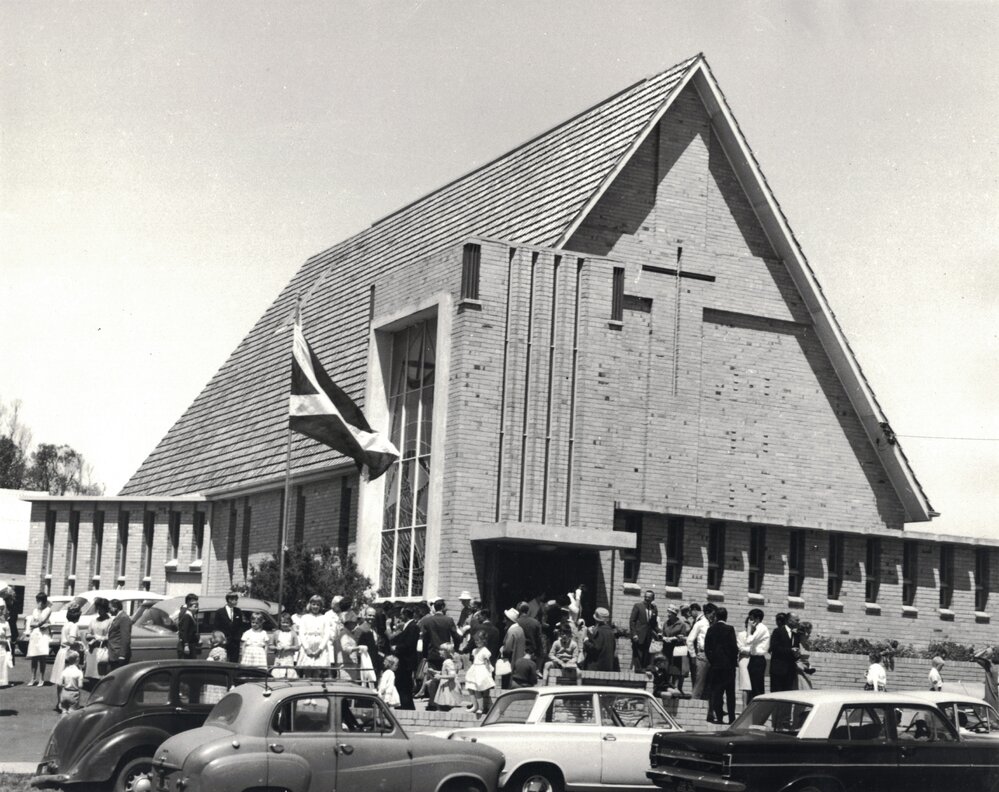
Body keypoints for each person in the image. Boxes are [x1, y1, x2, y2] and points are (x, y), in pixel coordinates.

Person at [421, 599, 461, 710]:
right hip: (446, 653)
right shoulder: (448, 620)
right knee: (445, 677)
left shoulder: (428, 621)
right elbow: (456, 636)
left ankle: (432, 702)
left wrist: (425, 654)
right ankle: (444, 702)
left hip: (432, 653)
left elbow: (425, 639)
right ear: (442, 607)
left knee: (433, 678)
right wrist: (455, 649)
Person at [704, 606, 739, 724]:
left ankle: (719, 717)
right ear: (726, 617)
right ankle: (731, 718)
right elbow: (733, 648)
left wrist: (712, 661)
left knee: (717, 692)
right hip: (728, 666)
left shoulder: (711, 629)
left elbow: (707, 648)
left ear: (716, 616)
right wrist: (733, 662)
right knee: (730, 693)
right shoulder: (730, 629)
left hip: (716, 666)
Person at [50, 605, 85, 710]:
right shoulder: (74, 626)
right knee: (71, 677)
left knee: (62, 679)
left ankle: (60, 702)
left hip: (62, 651)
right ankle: (70, 702)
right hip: (70, 653)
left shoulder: (65, 625)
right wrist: (80, 643)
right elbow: (71, 641)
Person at [390, 606, 420, 710]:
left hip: (406, 661)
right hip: (404, 660)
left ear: (406, 615)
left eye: (402, 614)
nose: (400, 616)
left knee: (404, 684)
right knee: (403, 683)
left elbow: (409, 644)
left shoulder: (413, 627)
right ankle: (404, 704)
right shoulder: (407, 626)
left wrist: (396, 647)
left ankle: (406, 705)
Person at [296, 595, 331, 674]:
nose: (315, 607)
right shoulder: (305, 617)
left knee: (319, 672)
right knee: (307, 670)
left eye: (318, 605)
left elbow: (327, 634)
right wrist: (306, 648)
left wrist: (320, 649)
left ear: (321, 606)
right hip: (308, 647)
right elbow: (301, 633)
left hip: (320, 648)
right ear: (310, 605)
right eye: (313, 604)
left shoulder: (324, 618)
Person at [464, 629, 495, 715]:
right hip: (474, 669)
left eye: (478, 640)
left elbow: (487, 664)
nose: (476, 642)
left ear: (484, 641)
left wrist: (489, 674)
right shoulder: (475, 650)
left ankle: (481, 707)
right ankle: (474, 705)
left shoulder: (485, 651)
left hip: (481, 670)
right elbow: (475, 660)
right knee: (470, 688)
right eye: (475, 640)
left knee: (477, 690)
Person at [686, 603, 712, 699]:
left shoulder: (708, 623)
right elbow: (690, 640)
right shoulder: (700, 623)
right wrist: (693, 655)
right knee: (698, 682)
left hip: (708, 655)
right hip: (701, 655)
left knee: (706, 684)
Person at [742, 609, 770, 702]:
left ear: (757, 619)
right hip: (753, 659)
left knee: (757, 687)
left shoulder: (761, 628)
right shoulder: (757, 628)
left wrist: (749, 629)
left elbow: (749, 641)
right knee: (752, 686)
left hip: (758, 660)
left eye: (751, 619)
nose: (750, 621)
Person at [629, 589, 659, 672]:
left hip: (648, 636)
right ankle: (638, 670)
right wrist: (634, 634)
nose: (647, 599)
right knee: (638, 654)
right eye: (645, 597)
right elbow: (632, 621)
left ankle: (644, 670)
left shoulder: (654, 609)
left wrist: (659, 632)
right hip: (638, 635)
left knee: (646, 654)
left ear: (653, 598)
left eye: (649, 597)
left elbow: (654, 623)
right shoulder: (638, 606)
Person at [26, 591, 52, 686]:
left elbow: (41, 620)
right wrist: (37, 623)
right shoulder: (34, 610)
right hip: (35, 634)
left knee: (42, 657)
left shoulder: (48, 609)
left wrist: (41, 612)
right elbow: (32, 623)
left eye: (40, 601)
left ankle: (41, 678)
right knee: (34, 656)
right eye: (37, 601)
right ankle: (33, 678)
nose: (38, 603)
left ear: (44, 601)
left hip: (43, 635)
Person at [769, 612, 799, 693]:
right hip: (778, 669)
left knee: (787, 694)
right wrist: (790, 650)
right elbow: (774, 648)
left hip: (790, 671)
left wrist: (797, 654)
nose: (798, 622)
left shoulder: (795, 635)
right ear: (789, 620)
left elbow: (796, 649)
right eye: (796, 620)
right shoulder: (778, 631)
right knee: (776, 693)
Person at [660, 605, 688, 690]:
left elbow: (683, 636)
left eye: (670, 613)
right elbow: (662, 634)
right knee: (666, 668)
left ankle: (674, 687)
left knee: (675, 669)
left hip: (677, 649)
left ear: (675, 614)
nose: (668, 615)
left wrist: (673, 638)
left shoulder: (681, 624)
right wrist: (664, 638)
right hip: (666, 649)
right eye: (668, 612)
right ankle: (665, 686)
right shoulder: (666, 623)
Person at [213, 592, 245, 663]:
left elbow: (241, 626)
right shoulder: (220, 612)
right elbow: (216, 627)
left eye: (236, 599)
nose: (236, 601)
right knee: (223, 660)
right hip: (224, 642)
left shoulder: (238, 611)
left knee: (234, 662)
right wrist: (221, 639)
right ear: (229, 600)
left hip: (235, 642)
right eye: (235, 599)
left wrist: (238, 637)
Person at [583, 607, 617, 671]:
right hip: (607, 668)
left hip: (595, 669)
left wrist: (586, 640)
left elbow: (594, 649)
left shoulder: (598, 631)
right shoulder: (611, 632)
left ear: (596, 619)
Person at [85, 598, 111, 679]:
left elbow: (110, 636)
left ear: (105, 609)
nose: (99, 611)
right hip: (92, 649)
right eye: (98, 609)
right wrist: (91, 636)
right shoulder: (93, 620)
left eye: (101, 609)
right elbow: (88, 634)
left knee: (101, 673)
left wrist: (100, 638)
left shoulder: (110, 621)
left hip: (102, 649)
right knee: (91, 674)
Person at [432, 643, 461, 710]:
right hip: (445, 685)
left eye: (442, 650)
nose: (439, 651)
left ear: (447, 652)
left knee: (446, 704)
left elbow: (452, 675)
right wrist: (435, 672)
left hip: (448, 687)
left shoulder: (448, 662)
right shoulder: (446, 661)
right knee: (443, 705)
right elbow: (445, 672)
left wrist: (440, 677)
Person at [271, 612, 299, 678]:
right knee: (277, 673)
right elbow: (270, 646)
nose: (285, 624)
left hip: (288, 657)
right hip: (279, 657)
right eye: (283, 622)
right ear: (280, 623)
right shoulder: (276, 633)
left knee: (289, 674)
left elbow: (297, 647)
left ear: (290, 623)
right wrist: (276, 648)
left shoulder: (293, 633)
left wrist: (289, 647)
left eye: (287, 623)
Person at [107, 598, 132, 671]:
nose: (109, 611)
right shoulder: (118, 617)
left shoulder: (124, 618)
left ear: (115, 608)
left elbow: (125, 638)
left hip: (118, 655)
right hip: (113, 653)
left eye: (110, 608)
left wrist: (122, 655)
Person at [58, 650, 84, 714]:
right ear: (77, 660)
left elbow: (59, 684)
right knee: (72, 712)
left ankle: (63, 722)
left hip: (64, 693)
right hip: (73, 694)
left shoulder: (64, 671)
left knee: (64, 711)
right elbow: (80, 686)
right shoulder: (79, 672)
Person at [177, 593, 202, 658]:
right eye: (195, 606)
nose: (197, 608)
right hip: (186, 643)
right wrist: (186, 645)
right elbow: (184, 630)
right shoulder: (186, 614)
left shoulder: (191, 614)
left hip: (191, 643)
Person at [0, 600, 12, 688]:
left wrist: (3, 641)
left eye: (2, 609)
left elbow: (9, 638)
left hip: (2, 649)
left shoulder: (5, 624)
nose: (0, 611)